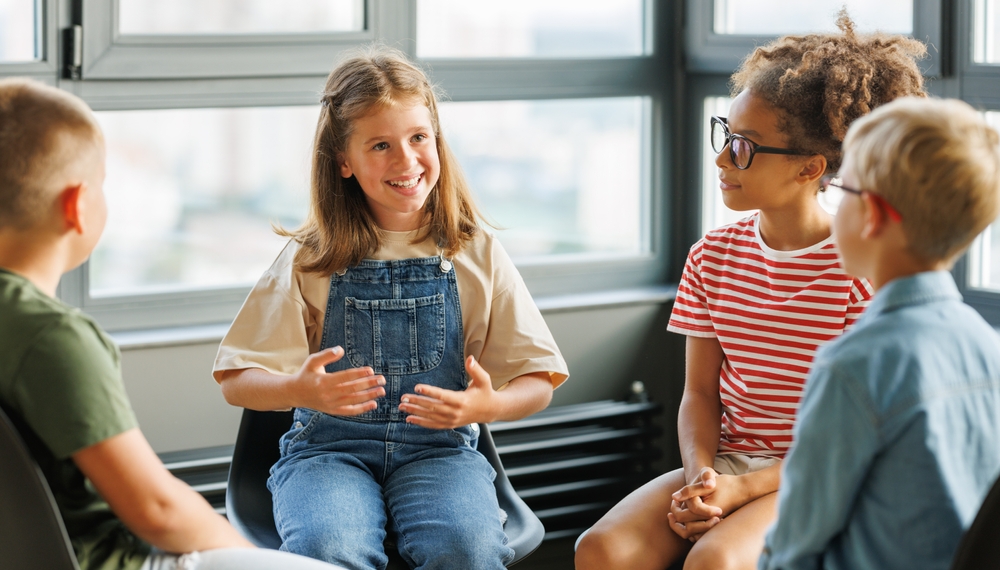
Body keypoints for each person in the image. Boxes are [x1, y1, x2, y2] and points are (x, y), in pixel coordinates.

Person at [575, 14, 927, 570]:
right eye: (726, 135)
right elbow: (700, 395)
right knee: (600, 550)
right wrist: (701, 477)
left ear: (810, 168)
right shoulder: (711, 257)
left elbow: (855, 438)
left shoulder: (858, 272)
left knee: (714, 562)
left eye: (743, 148)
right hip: (727, 466)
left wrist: (742, 491)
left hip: (817, 473)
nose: (721, 159)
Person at [212, 46, 568, 570]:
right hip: (327, 455)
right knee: (330, 551)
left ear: (437, 141)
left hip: (439, 455)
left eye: (419, 137)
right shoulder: (312, 258)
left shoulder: (475, 252)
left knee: (467, 550)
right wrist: (298, 390)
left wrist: (486, 408)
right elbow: (235, 379)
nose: (406, 161)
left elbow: (539, 380)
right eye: (380, 145)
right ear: (344, 162)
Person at [0, 78, 344, 570]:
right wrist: (250, 558)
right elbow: (157, 510)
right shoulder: (51, 340)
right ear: (77, 205)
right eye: (102, 183)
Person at [759, 97, 1000, 570]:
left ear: (870, 214)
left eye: (840, 189)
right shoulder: (985, 344)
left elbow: (792, 551)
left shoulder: (853, 368)